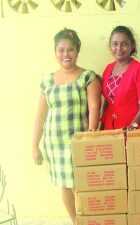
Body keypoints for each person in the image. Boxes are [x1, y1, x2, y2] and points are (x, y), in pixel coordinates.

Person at [32, 28, 102, 225]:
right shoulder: (46, 81)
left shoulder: (88, 77)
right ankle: (76, 222)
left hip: (77, 142)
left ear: (77, 51)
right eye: (61, 50)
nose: (65, 54)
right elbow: (40, 114)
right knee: (64, 186)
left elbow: (94, 106)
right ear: (55, 52)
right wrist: (34, 145)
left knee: (79, 187)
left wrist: (90, 137)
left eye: (70, 49)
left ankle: (89, 221)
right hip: (54, 144)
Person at [100, 25, 140, 130]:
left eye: (124, 44)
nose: (119, 48)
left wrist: (133, 127)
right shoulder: (108, 69)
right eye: (115, 44)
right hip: (111, 127)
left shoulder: (139, 69)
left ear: (132, 46)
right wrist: (102, 125)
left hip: (134, 129)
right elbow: (107, 101)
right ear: (110, 47)